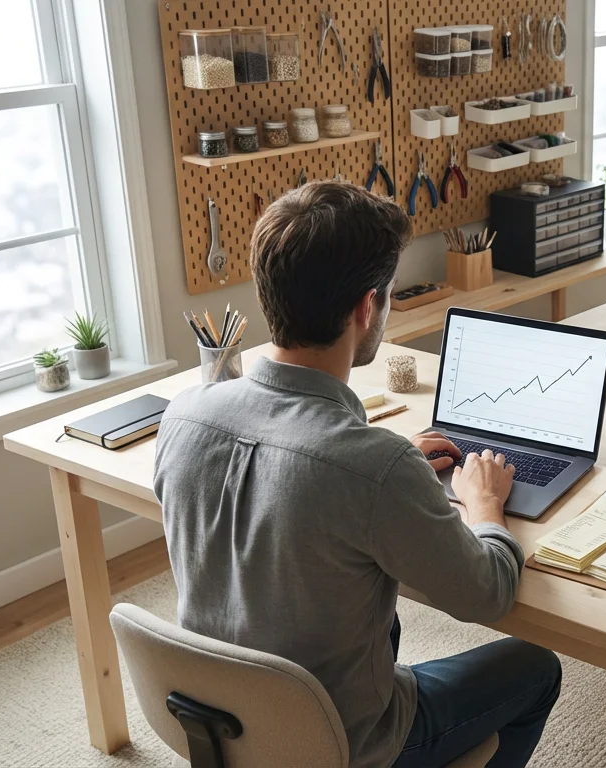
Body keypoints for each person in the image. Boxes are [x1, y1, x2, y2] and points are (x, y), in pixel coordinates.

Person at [154, 181, 562, 768]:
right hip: (342, 744)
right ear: (366, 307)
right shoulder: (373, 467)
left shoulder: (185, 415)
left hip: (221, 721)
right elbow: (488, 594)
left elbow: (288, 489)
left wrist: (383, 472)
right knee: (536, 667)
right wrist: (485, 507)